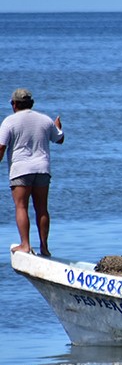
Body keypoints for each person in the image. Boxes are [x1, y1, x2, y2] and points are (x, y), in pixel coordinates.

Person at [0, 89, 65, 256]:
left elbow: (1, 147)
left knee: (21, 206)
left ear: (14, 104)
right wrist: (58, 128)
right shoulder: (45, 120)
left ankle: (25, 245)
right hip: (42, 169)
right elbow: (60, 139)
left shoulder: (9, 121)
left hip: (21, 170)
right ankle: (44, 247)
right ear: (32, 103)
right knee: (42, 208)